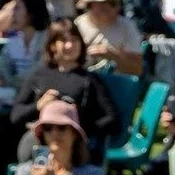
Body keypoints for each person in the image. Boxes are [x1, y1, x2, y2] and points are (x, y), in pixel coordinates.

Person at [10, 20, 119, 160]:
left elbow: (113, 119)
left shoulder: (89, 80)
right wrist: (38, 106)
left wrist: (75, 127)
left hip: (73, 146)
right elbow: (16, 115)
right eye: (63, 40)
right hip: (41, 141)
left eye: (74, 40)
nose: (70, 45)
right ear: (52, 46)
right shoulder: (39, 76)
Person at [73, 0, 144, 76]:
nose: (118, 8)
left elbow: (137, 69)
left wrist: (113, 56)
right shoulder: (76, 26)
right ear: (90, 6)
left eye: (116, 3)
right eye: (111, 3)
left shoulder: (127, 26)